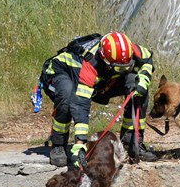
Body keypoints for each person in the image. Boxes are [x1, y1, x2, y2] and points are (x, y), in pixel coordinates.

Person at [39, 32, 157, 167]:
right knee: (66, 96)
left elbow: (147, 59)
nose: (122, 71)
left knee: (137, 86)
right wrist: (80, 144)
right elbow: (80, 106)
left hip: (102, 78)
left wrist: (144, 80)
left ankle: (131, 143)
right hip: (63, 73)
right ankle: (58, 144)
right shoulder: (89, 64)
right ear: (104, 59)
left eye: (126, 67)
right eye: (118, 68)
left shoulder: (128, 49)